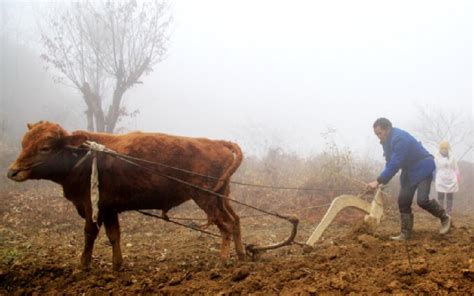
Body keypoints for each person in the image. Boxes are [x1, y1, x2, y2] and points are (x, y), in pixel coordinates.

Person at [367, 118, 451, 240]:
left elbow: (395, 164)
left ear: (388, 129)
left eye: (380, 133)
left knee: (422, 200)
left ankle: (445, 217)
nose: (378, 137)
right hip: (409, 171)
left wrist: (378, 180)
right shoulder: (386, 142)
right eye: (376, 134)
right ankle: (405, 234)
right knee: (403, 200)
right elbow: (389, 162)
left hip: (423, 166)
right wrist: (383, 182)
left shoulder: (399, 138)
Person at [434, 141, 459, 214]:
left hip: (451, 177)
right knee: (440, 194)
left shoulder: (452, 157)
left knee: (450, 194)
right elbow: (434, 167)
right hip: (440, 177)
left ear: (448, 149)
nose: (444, 150)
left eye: (445, 148)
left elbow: (455, 167)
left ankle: (449, 211)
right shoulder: (436, 157)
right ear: (440, 149)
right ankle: (441, 211)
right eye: (442, 148)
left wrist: (457, 176)